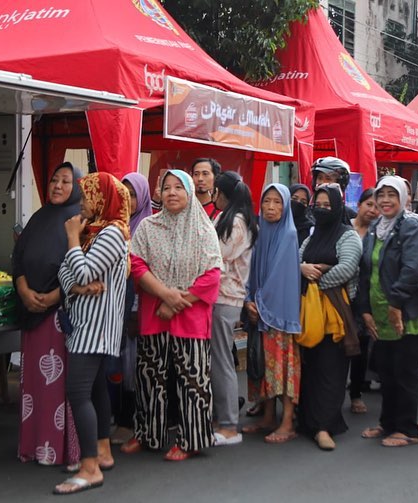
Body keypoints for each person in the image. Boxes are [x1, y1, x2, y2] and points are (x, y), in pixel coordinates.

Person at [123, 170, 222, 461]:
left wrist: (177, 301)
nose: (172, 192)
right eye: (166, 187)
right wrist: (165, 294)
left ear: (190, 191)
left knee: (192, 380)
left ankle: (191, 439)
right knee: (149, 377)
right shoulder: (148, 228)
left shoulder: (204, 230)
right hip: (155, 314)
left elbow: (212, 276)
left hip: (190, 318)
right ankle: (147, 433)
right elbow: (137, 266)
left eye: (179, 187)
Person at [52, 173, 131, 495]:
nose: (81, 203)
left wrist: (72, 238)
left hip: (95, 328)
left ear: (103, 198)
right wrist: (79, 286)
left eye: (87, 196)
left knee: (78, 392)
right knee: (95, 389)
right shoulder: (94, 232)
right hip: (86, 324)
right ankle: (102, 452)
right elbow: (65, 273)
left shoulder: (111, 233)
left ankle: (89, 468)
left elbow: (82, 268)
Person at [13, 162, 84, 467]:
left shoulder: (78, 221)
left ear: (77, 187)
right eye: (54, 179)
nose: (57, 186)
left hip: (59, 318)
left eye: (66, 181)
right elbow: (17, 259)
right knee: (33, 387)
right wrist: (24, 291)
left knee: (56, 386)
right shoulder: (39, 218)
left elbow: (81, 267)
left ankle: (56, 448)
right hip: (32, 315)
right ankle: (32, 445)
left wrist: (56, 295)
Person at [356, 176, 418, 447]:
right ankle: (388, 423)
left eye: (392, 195)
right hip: (380, 314)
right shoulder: (377, 226)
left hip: (405, 313)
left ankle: (408, 429)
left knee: (405, 373)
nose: (385, 200)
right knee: (386, 372)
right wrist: (364, 309)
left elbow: (413, 269)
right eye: (381, 194)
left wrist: (396, 304)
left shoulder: (412, 227)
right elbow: (366, 271)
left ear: (403, 198)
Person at [297, 184, 362, 451]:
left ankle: (325, 426)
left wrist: (316, 278)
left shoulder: (348, 236)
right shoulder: (312, 235)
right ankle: (308, 422)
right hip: (309, 311)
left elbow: (348, 267)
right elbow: (298, 260)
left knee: (331, 368)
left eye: (327, 205)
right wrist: (303, 268)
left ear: (337, 207)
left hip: (335, 311)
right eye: (318, 205)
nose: (322, 209)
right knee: (310, 366)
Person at [242, 184, 303, 444]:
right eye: (267, 201)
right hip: (259, 309)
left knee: (282, 367)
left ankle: (287, 422)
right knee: (267, 366)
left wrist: (259, 303)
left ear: (286, 206)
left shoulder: (288, 233)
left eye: (278, 202)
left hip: (278, 312)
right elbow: (251, 269)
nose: (271, 207)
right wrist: (248, 300)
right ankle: (268, 417)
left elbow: (279, 277)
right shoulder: (261, 232)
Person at [210, 171, 257, 446]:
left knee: (222, 361)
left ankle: (229, 425)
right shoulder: (229, 217)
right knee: (219, 359)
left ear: (224, 193)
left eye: (216, 191)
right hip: (220, 297)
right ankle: (222, 419)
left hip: (225, 298)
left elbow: (217, 255)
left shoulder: (237, 222)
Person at [107, 172, 152, 446]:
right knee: (118, 365)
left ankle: (130, 421)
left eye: (133, 194)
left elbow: (143, 272)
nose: (129, 200)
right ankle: (119, 416)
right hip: (114, 307)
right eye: (124, 194)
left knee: (133, 366)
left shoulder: (146, 227)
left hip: (136, 307)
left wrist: (135, 310)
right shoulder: (114, 225)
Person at [348, 188, 380, 414]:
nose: (373, 210)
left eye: (377, 207)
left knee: (360, 347)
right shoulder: (344, 226)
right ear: (359, 204)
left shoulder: (377, 235)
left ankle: (356, 393)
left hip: (365, 298)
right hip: (340, 295)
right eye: (369, 204)